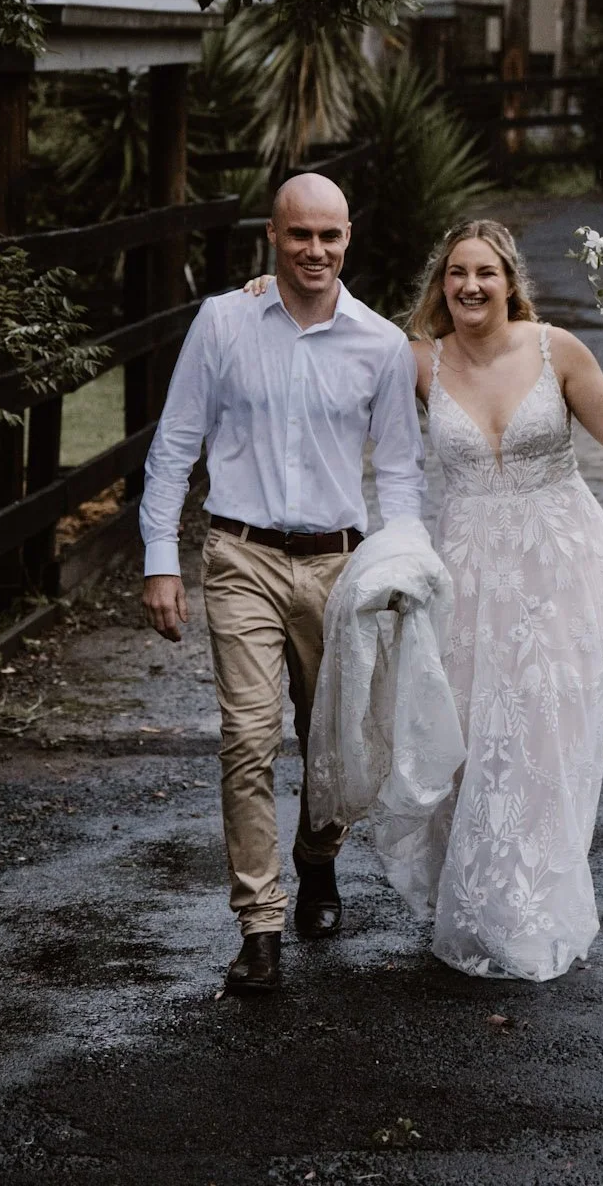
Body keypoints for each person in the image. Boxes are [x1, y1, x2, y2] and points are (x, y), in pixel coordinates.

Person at [139, 172, 425, 995]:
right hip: (242, 557)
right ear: (274, 234)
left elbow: (401, 472)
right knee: (248, 738)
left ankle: (317, 858)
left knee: (330, 739)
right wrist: (162, 557)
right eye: (300, 235)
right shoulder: (224, 321)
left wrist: (402, 565)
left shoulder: (378, 343)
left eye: (330, 236)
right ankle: (259, 926)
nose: (316, 251)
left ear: (348, 240)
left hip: (339, 563)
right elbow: (175, 445)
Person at [406, 218, 603, 981]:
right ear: (440, 285)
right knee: (473, 733)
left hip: (560, 561)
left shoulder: (557, 350)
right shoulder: (417, 360)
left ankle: (536, 904)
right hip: (469, 566)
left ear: (510, 281)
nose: (470, 286)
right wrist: (260, 293)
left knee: (545, 728)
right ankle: (476, 897)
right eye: (456, 274)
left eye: (485, 272)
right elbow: (329, 336)